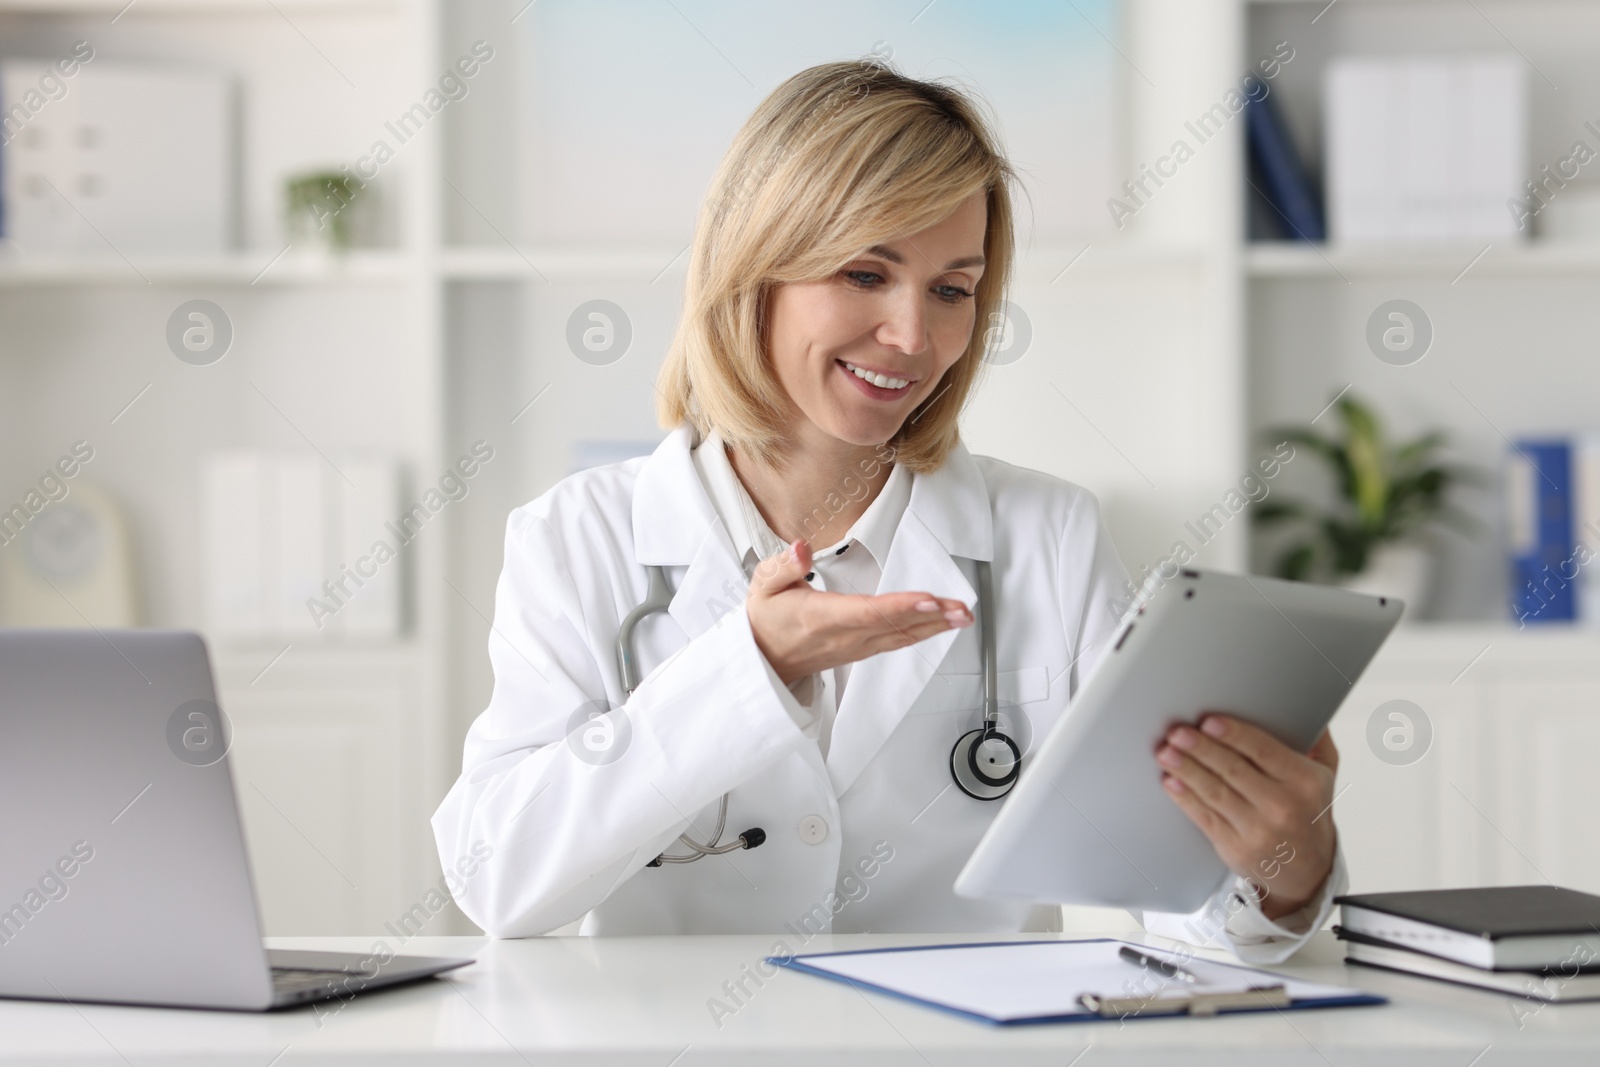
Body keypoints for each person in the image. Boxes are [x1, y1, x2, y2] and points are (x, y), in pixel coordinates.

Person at [432, 59, 1344, 963]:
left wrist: (1283, 867)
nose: (914, 336)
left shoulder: (1048, 537)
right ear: (754, 269)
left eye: (953, 289)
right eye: (866, 273)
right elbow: (497, 880)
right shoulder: (576, 538)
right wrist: (748, 669)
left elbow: (1178, 898)